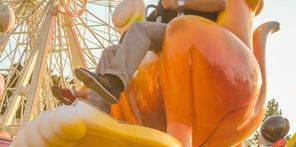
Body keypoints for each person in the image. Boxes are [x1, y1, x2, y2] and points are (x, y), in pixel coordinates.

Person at [74, 0, 227, 109]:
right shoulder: (162, 7)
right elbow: (141, 29)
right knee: (111, 52)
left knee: (140, 28)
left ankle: (115, 82)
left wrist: (180, 4)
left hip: (192, 33)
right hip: (169, 35)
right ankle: (96, 110)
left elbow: (221, 3)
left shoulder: (178, 3)